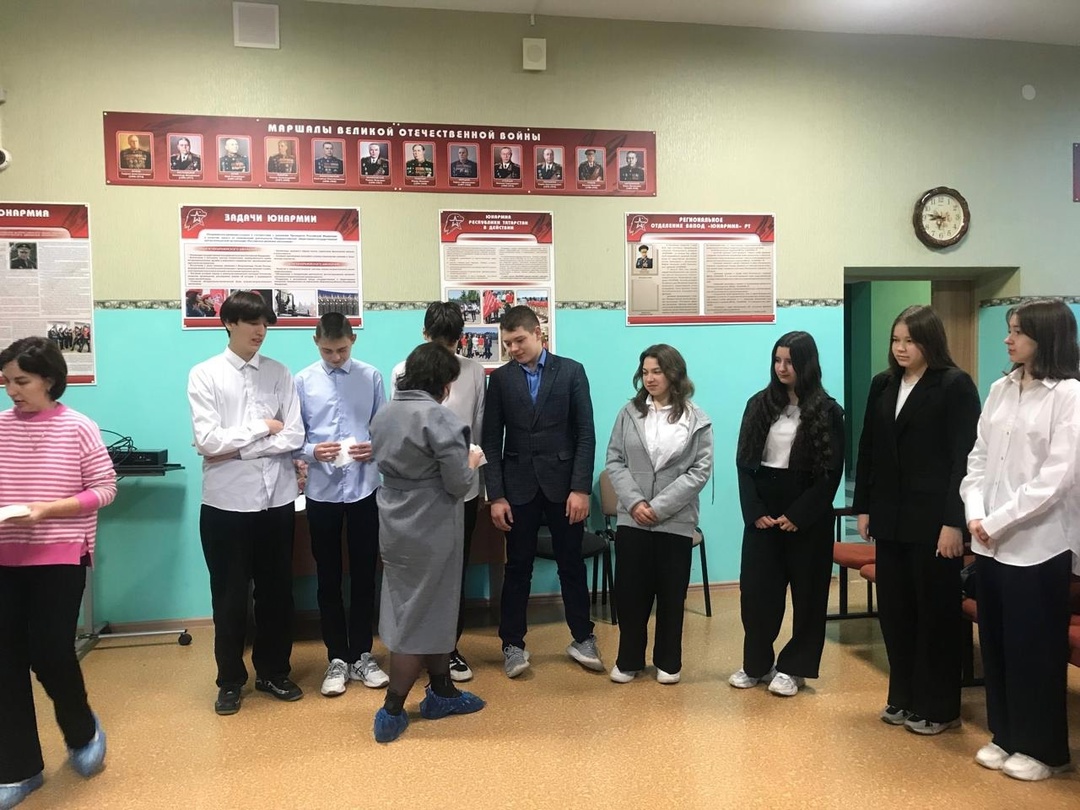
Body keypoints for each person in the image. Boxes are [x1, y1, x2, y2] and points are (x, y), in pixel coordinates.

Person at [960, 298, 1080, 782]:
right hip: (989, 540)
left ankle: (1044, 749)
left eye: (1018, 332)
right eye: (1009, 329)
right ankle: (1006, 734)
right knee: (998, 642)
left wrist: (1001, 519)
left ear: (1045, 337)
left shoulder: (1068, 394)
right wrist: (976, 513)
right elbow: (978, 458)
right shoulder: (1000, 388)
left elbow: (1057, 477)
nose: (1008, 339)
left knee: (1035, 648)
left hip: (1038, 543)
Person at [0, 337, 116, 809]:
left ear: (48, 379)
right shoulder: (0, 428)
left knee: (49, 653)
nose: (12, 390)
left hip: (61, 554)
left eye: (21, 381)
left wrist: (48, 509)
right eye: (6, 381)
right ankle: (18, 769)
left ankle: (82, 730)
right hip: (5, 557)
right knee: (4, 661)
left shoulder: (78, 427)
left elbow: (104, 489)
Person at [853, 305, 981, 735]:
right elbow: (868, 447)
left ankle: (939, 707)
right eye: (896, 340)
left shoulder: (954, 385)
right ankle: (904, 696)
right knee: (896, 612)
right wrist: (864, 506)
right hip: (890, 517)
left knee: (935, 614)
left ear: (930, 341)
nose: (901, 348)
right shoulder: (883, 383)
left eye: (910, 340)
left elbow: (964, 458)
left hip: (934, 522)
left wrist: (954, 522)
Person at [187, 290, 305, 716]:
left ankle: (273, 672)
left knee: (277, 593)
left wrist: (242, 448)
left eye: (265, 324)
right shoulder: (205, 374)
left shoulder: (279, 372)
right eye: (252, 323)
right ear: (229, 324)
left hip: (278, 501)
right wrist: (263, 427)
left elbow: (294, 435)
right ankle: (230, 681)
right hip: (226, 505)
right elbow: (207, 440)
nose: (260, 331)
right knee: (230, 597)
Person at [369, 343, 486, 743]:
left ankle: (442, 691)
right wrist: (471, 462)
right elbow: (457, 483)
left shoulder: (385, 413)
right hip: (432, 524)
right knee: (419, 613)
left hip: (394, 522)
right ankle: (392, 707)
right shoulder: (441, 419)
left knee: (425, 606)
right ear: (445, 383)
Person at [482, 305, 601, 678]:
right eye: (508, 343)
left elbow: (585, 433)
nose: (513, 348)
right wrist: (496, 495)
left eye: (519, 340)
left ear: (538, 333)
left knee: (571, 564)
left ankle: (583, 638)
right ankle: (513, 645)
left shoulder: (571, 372)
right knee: (518, 567)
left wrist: (581, 488)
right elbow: (491, 440)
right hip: (517, 488)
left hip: (564, 487)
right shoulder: (501, 379)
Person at [731, 331, 844, 697]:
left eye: (790, 362)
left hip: (806, 515)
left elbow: (830, 473)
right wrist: (755, 511)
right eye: (777, 360)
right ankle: (757, 664)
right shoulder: (758, 404)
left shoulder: (828, 411)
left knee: (808, 597)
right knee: (757, 594)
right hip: (764, 513)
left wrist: (799, 514)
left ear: (806, 365)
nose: (782, 368)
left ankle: (795, 668)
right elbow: (744, 463)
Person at [605, 345, 713, 685]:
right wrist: (636, 503)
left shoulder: (696, 419)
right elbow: (614, 460)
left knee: (671, 594)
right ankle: (629, 660)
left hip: (675, 521)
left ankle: (669, 661)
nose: (650, 379)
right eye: (645, 372)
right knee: (631, 594)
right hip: (632, 518)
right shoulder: (628, 413)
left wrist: (659, 507)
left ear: (674, 374)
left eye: (657, 371)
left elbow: (700, 471)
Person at [391, 302, 486, 683]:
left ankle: (449, 649)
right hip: (419, 495)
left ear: (459, 340)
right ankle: (414, 651)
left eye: (450, 344)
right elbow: (400, 429)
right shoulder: (404, 370)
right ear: (424, 334)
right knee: (418, 574)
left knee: (454, 573)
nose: (444, 351)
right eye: (437, 342)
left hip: (462, 488)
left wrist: (479, 479)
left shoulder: (474, 371)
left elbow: (478, 426)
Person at [295, 313, 389, 697]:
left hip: (365, 490)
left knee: (365, 574)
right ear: (316, 343)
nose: (335, 358)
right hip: (322, 492)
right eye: (328, 351)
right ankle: (336, 658)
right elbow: (293, 439)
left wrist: (374, 447)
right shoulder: (303, 381)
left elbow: (384, 429)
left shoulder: (371, 377)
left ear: (353, 341)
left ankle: (363, 655)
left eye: (342, 350)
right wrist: (312, 451)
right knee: (328, 576)